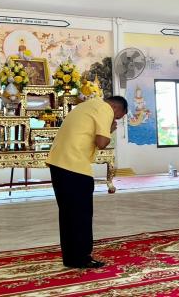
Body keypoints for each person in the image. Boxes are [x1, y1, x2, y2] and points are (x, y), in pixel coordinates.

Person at [46, 95, 128, 268]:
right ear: (115, 108)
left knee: (67, 214)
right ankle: (82, 257)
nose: (115, 120)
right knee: (81, 214)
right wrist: (110, 129)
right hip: (74, 165)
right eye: (118, 117)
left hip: (58, 163)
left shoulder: (87, 106)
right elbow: (101, 142)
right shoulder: (105, 108)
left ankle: (71, 258)